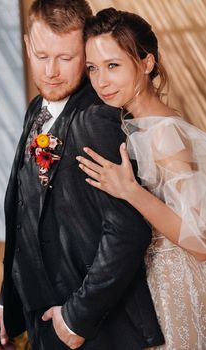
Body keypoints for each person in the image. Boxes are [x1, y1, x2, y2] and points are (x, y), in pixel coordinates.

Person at [0, 1, 165, 350]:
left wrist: (76, 319)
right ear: (26, 45)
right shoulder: (36, 109)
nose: (51, 71)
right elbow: (24, 216)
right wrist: (7, 304)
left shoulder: (98, 117)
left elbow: (127, 229)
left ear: (84, 53)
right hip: (43, 324)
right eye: (41, 55)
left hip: (94, 332)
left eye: (66, 58)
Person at [77, 7, 206, 349]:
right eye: (93, 68)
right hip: (145, 291)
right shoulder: (133, 127)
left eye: (113, 65)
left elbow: (201, 241)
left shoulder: (164, 133)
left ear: (146, 63)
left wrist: (131, 191)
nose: (101, 80)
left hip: (173, 288)